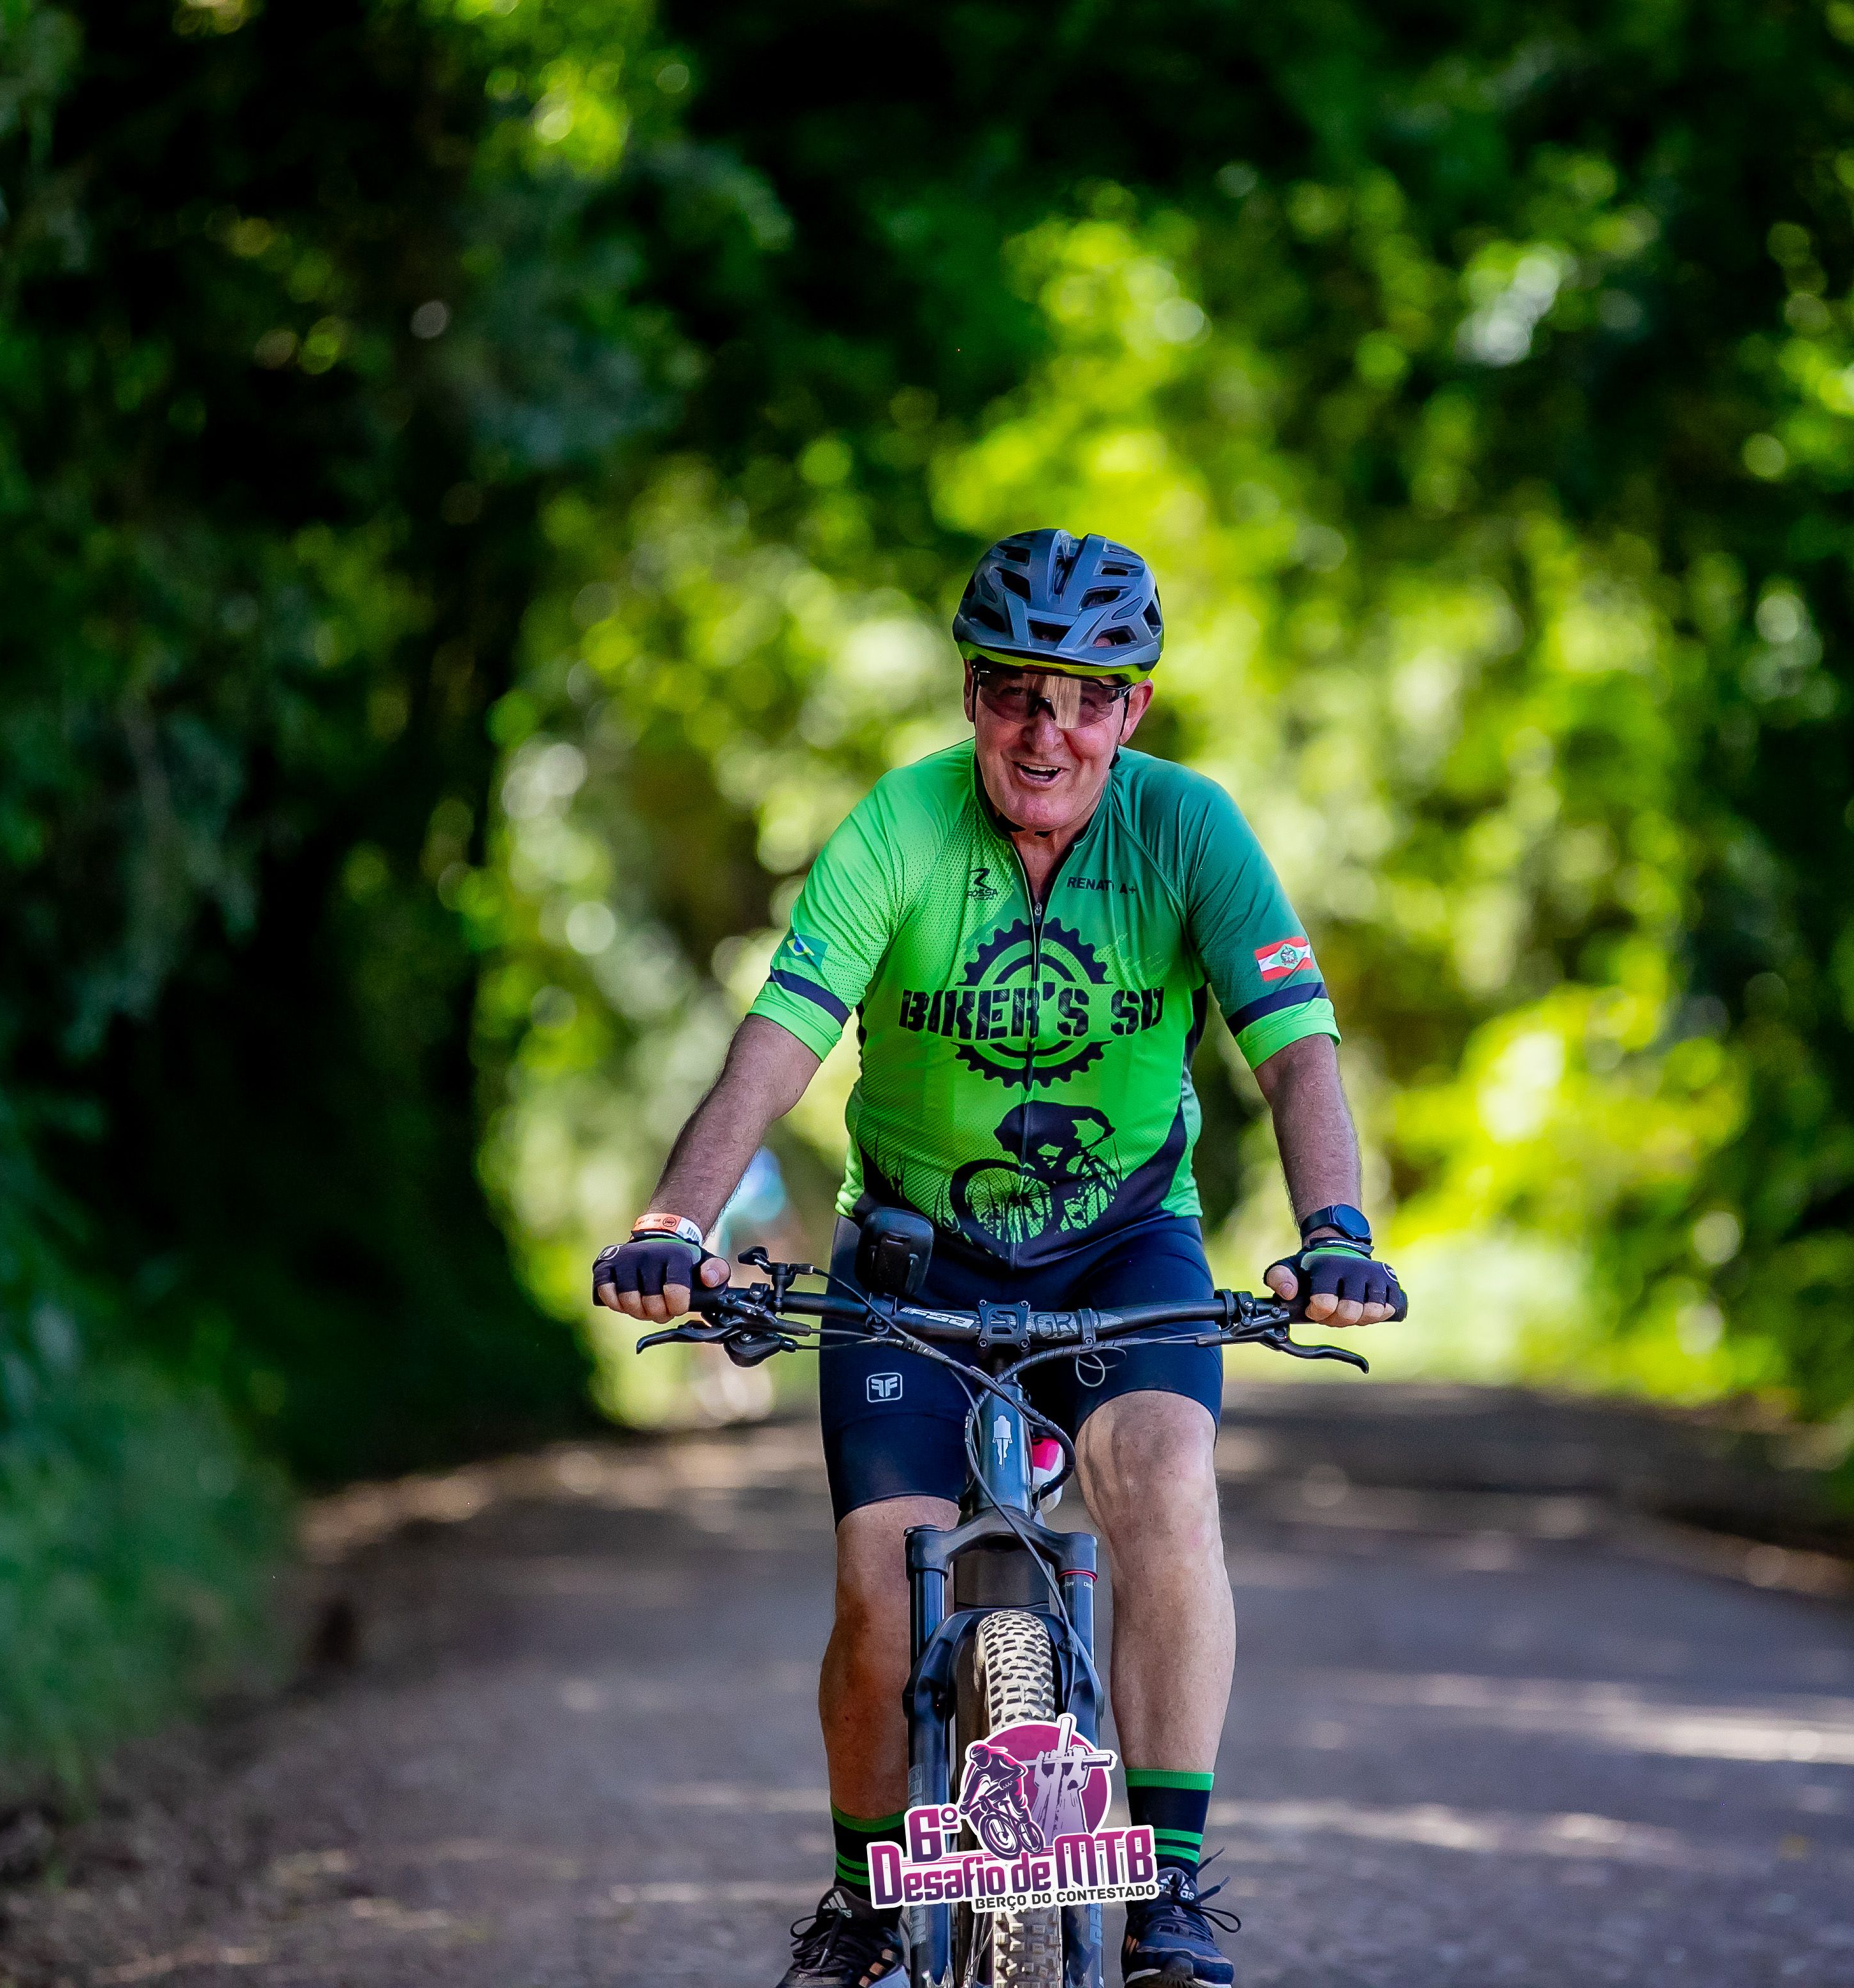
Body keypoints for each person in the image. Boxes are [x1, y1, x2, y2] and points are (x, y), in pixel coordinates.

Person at [592, 528, 1404, 1988]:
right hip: (913, 1261)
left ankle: (1165, 1891)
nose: (1049, 732)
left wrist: (1335, 1232)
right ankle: (863, 1906)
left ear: (1133, 711)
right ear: (973, 694)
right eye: (1018, 693)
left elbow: (1295, 1054)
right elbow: (779, 1043)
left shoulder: (1190, 829)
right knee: (877, 1575)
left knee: (1165, 1483)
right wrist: (676, 1221)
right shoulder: (900, 827)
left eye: (1087, 700)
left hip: (1125, 1251)